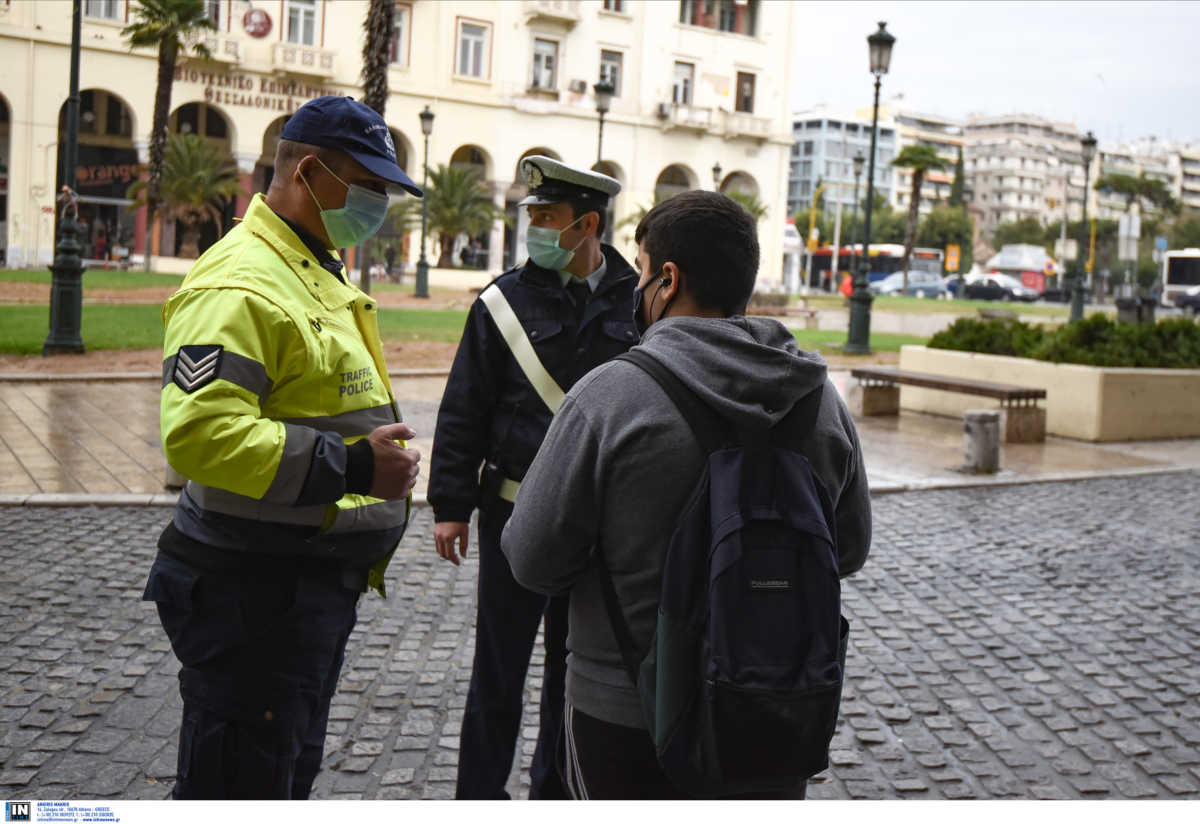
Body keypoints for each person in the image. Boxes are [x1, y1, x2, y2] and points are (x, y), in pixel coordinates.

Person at [500, 190, 872, 799]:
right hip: (771, 712)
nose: (636, 285)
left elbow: (534, 558)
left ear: (666, 280)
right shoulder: (819, 401)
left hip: (625, 714)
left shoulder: (610, 397)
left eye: (642, 271)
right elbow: (849, 550)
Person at [142, 96, 424, 800]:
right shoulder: (240, 281)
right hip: (253, 592)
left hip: (300, 586)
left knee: (281, 774)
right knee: (239, 787)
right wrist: (359, 467)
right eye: (365, 185)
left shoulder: (308, 264)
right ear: (305, 170)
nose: (377, 202)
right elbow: (200, 435)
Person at [429, 155, 639, 799]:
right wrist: (450, 504)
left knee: (569, 678)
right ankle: (479, 799)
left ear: (587, 225)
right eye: (532, 217)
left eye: (547, 218)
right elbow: (466, 403)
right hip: (512, 519)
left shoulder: (637, 303)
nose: (535, 229)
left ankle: (554, 796)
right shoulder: (502, 302)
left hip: (596, 531)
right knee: (498, 671)